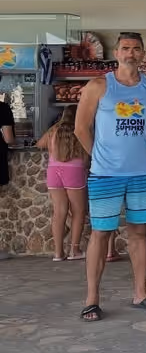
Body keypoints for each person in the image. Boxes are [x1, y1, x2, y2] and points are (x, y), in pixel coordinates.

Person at [75, 32, 146, 321]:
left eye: (136, 49)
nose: (131, 53)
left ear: (143, 54)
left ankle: (141, 292)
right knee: (101, 233)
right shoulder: (99, 86)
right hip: (105, 175)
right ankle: (92, 299)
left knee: (140, 232)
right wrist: (100, 156)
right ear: (116, 53)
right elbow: (80, 128)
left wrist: (143, 153)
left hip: (141, 173)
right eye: (125, 48)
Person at [37, 106, 88, 261]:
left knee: (59, 212)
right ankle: (74, 250)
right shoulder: (82, 129)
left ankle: (58, 253)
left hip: (54, 172)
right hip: (74, 171)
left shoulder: (54, 130)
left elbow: (39, 144)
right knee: (78, 211)